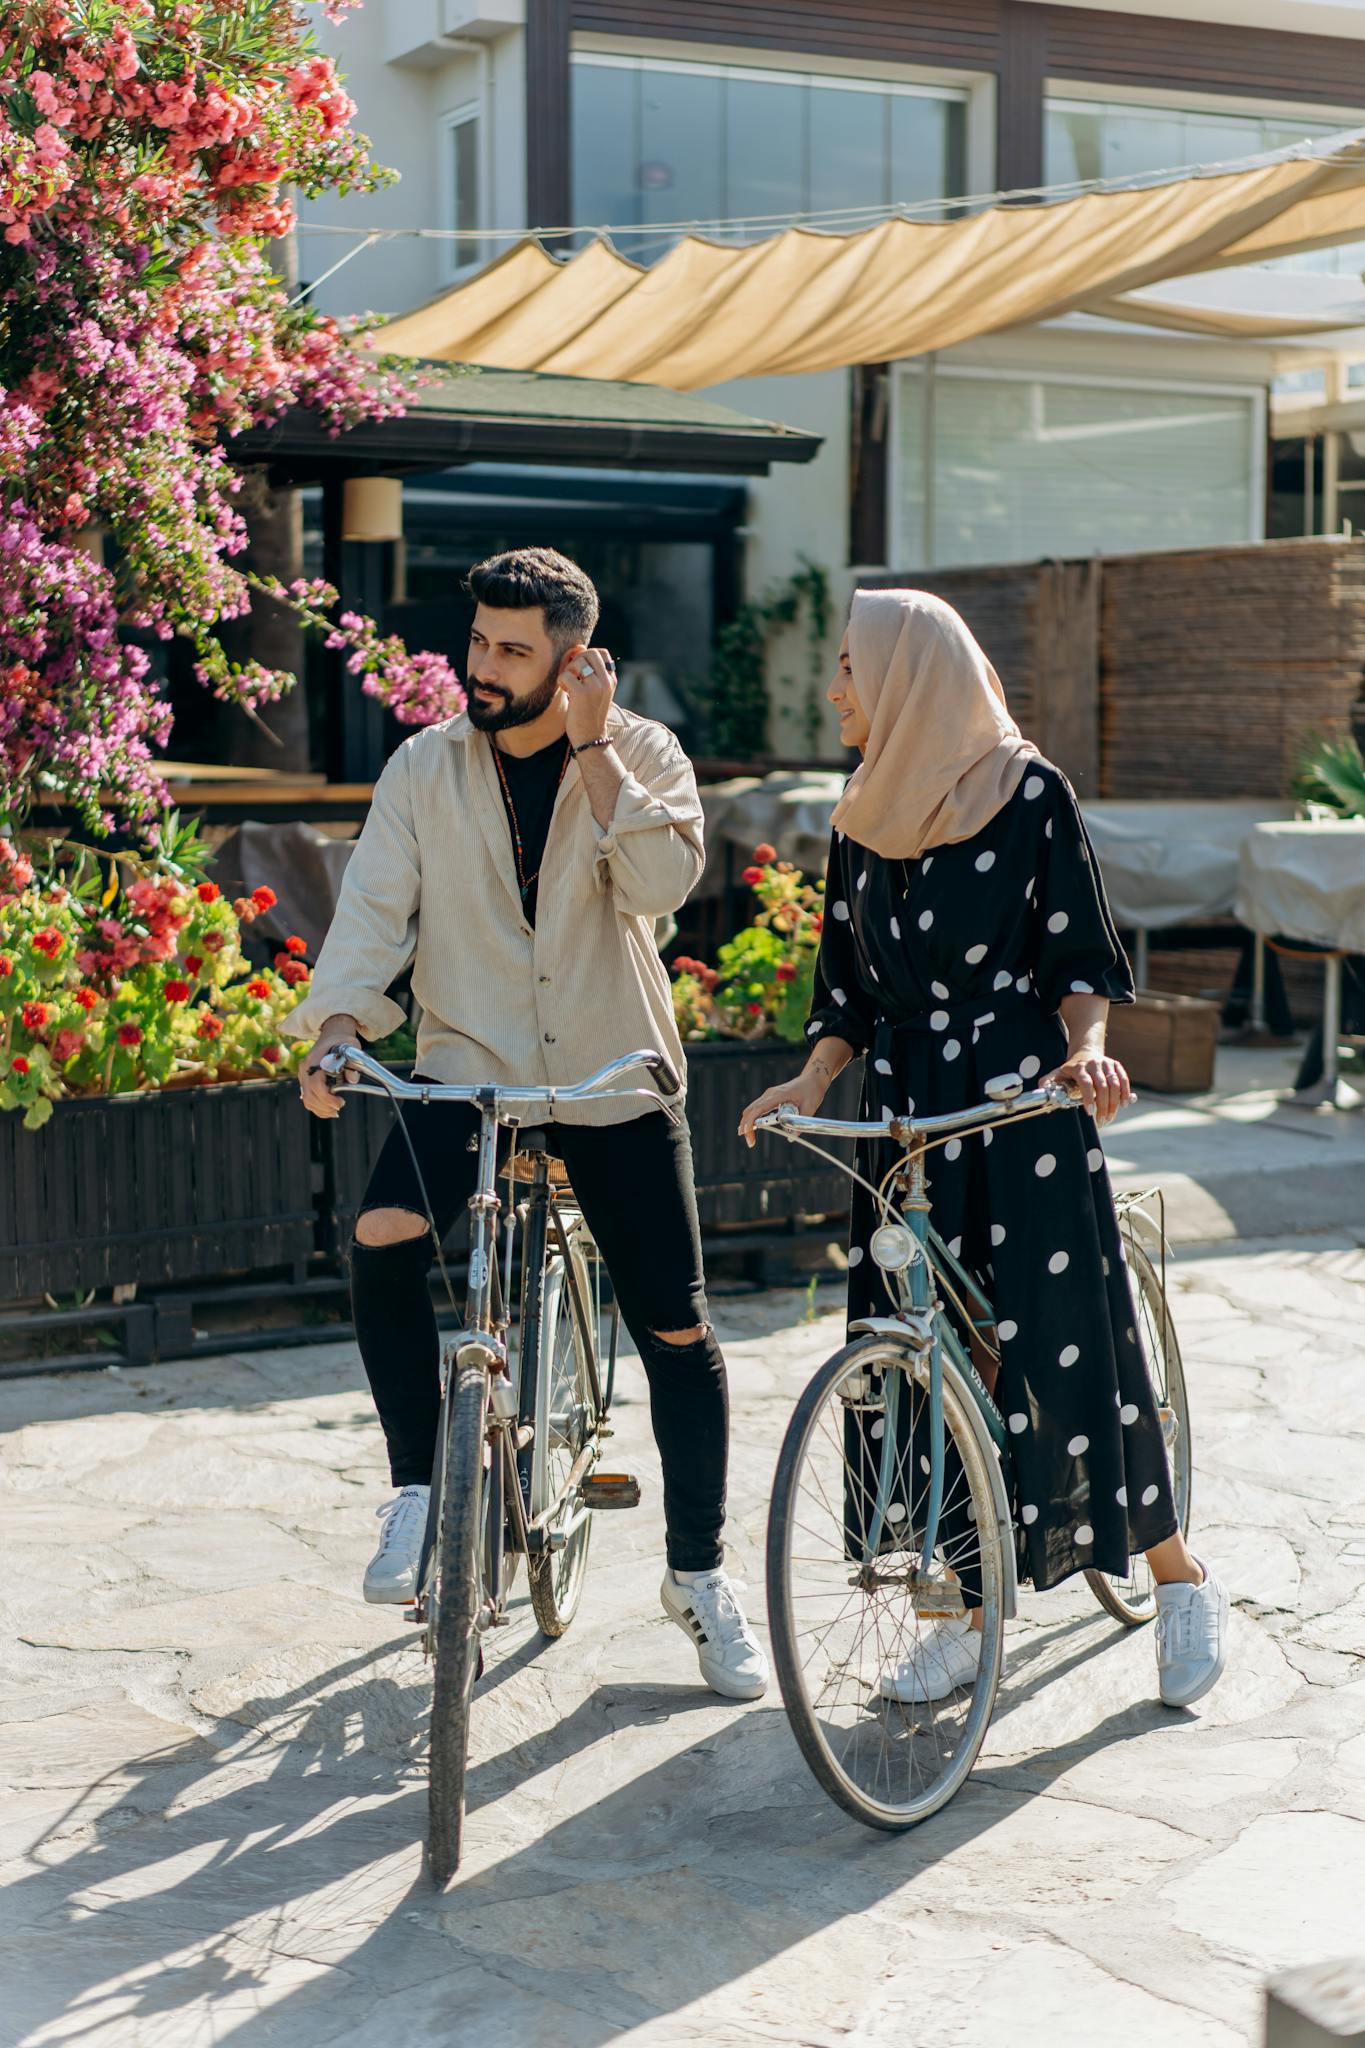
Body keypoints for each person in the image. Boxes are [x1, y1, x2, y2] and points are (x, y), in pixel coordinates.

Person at [289, 546, 767, 1702]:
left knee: (675, 1330)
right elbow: (372, 916)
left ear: (574, 658)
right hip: (469, 1071)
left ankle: (698, 1573)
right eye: (478, 643)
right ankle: (417, 1487)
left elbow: (660, 886)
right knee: (385, 1233)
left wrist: (597, 749)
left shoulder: (641, 752)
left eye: (514, 650)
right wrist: (339, 1024)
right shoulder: (424, 768)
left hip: (613, 1077)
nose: (484, 669)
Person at [739, 588, 1227, 1710]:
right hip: (910, 1112)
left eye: (852, 667)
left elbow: (1082, 959)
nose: (837, 691)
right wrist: (809, 1078)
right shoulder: (860, 818)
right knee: (917, 1352)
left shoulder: (1030, 793)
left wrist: (1089, 1054)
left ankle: (1176, 1573)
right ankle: (958, 1600)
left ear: (913, 674)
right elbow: (844, 995)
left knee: (1069, 1350)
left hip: (1022, 1103)